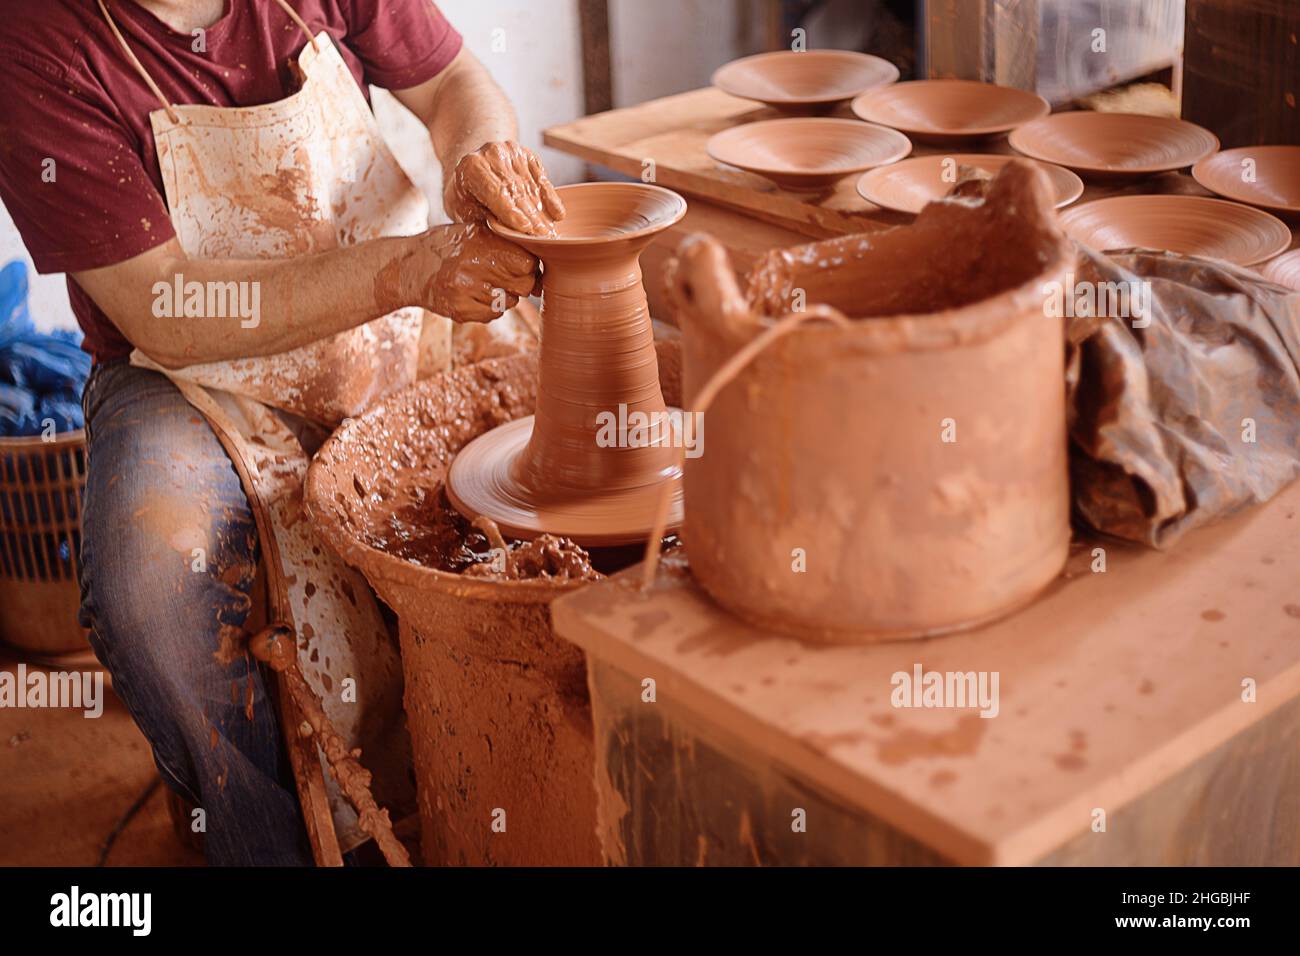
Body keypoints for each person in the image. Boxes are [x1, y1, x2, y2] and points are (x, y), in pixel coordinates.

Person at [0, 0, 565, 865]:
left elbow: (453, 81)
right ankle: (270, 841)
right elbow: (169, 308)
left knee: (554, 465)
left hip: (393, 318)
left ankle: (499, 791)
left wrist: (476, 162)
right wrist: (410, 268)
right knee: (152, 581)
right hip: (192, 374)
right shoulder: (32, 41)